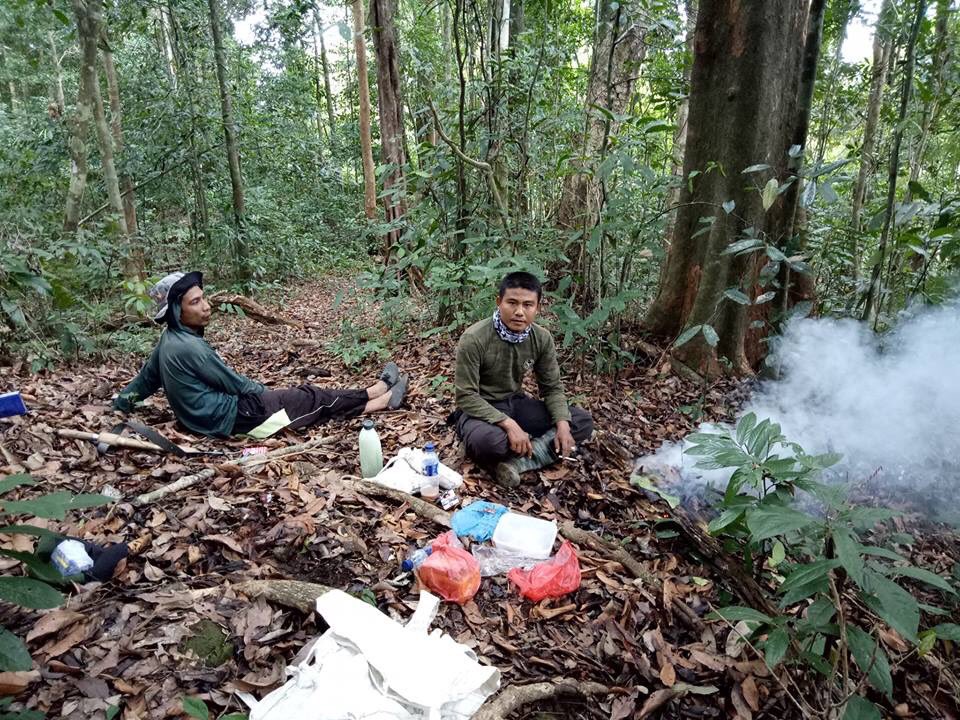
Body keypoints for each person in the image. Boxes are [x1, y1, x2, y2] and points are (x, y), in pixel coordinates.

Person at [113, 271, 408, 438]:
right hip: (230, 417)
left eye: (204, 298)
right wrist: (267, 396)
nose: (206, 306)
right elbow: (234, 384)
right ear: (177, 311)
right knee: (311, 398)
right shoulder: (189, 347)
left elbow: (144, 381)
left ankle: (375, 394)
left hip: (210, 417)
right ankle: (379, 397)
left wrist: (121, 403)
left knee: (305, 400)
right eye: (195, 302)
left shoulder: (169, 340)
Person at [452, 271, 593, 487]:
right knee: (489, 443)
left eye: (528, 305)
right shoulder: (474, 338)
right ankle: (531, 449)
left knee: (580, 421)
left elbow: (552, 388)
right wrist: (509, 425)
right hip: (481, 409)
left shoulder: (541, 338)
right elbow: (466, 396)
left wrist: (562, 424)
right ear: (499, 302)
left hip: (516, 403)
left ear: (537, 308)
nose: (519, 312)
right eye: (512, 303)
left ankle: (521, 460)